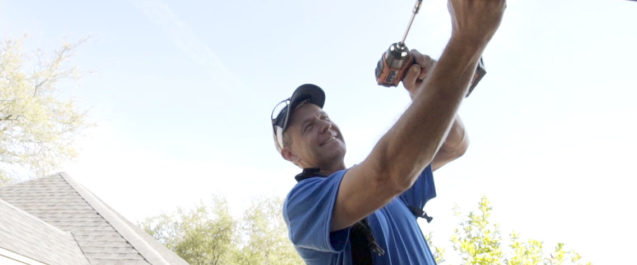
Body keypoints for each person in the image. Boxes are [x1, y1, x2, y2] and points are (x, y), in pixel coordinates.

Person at [270, 0, 505, 264]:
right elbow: (387, 173)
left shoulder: (385, 194)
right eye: (309, 126)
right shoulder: (303, 204)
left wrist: (422, 91)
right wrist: (468, 40)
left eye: (324, 117)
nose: (325, 124)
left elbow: (454, 145)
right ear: (290, 155)